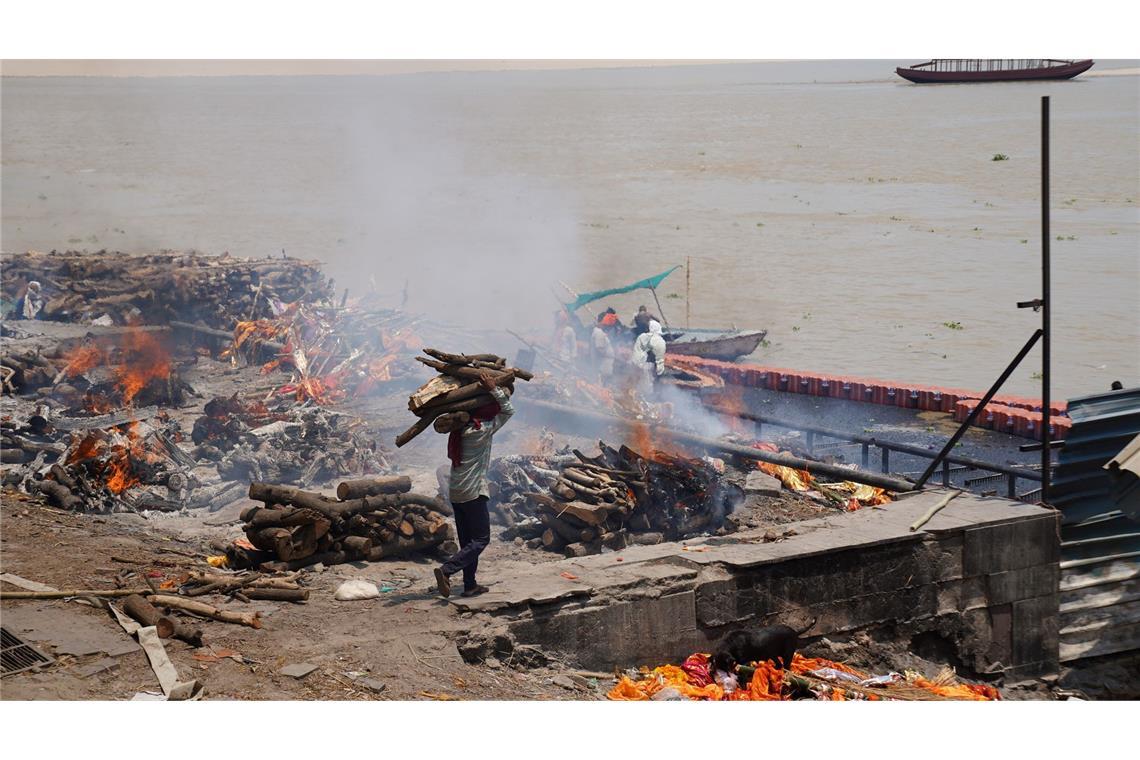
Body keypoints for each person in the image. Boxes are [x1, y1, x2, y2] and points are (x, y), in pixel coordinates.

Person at [433, 370, 514, 599]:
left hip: (456, 492)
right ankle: (446, 570)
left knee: (467, 542)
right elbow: (508, 410)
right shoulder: (481, 429)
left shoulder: (458, 431)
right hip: (473, 491)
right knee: (481, 539)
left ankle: (470, 585)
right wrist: (493, 389)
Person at [631, 319, 666, 393]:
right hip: (646, 365)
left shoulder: (641, 337)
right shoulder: (658, 340)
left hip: (637, 364)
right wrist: (659, 371)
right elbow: (659, 359)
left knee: (641, 384)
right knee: (647, 385)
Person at [591, 314, 615, 383]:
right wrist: (609, 354)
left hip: (604, 367)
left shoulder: (599, 332)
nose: (606, 325)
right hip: (602, 367)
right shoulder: (599, 333)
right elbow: (600, 349)